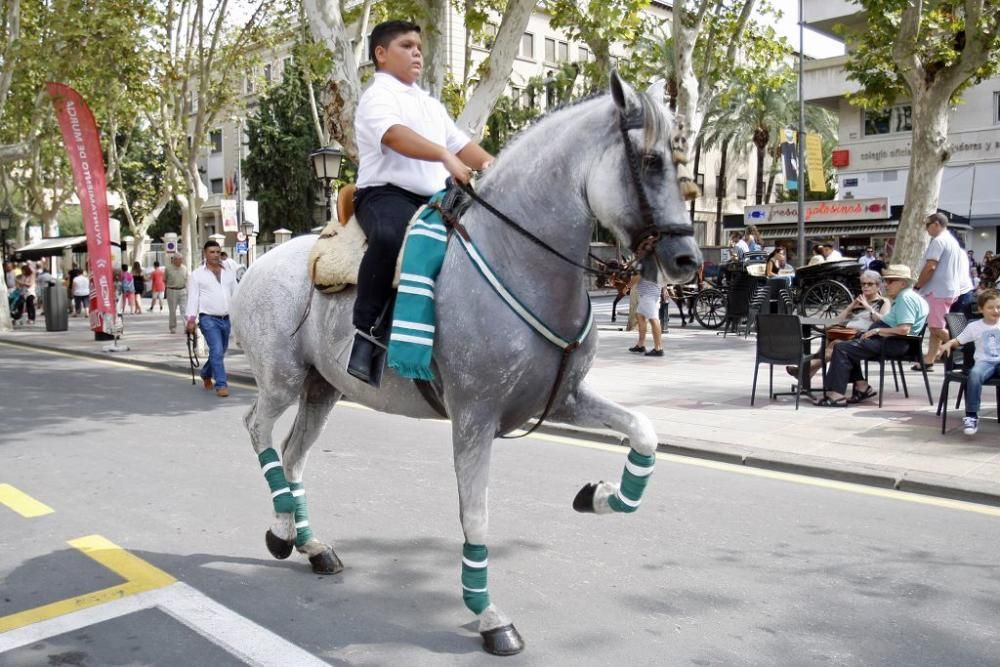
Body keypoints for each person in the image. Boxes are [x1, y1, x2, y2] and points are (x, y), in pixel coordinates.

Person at [347, 19, 494, 385]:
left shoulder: (429, 103)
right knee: (389, 237)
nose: (417, 52)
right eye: (407, 45)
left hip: (436, 199)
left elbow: (462, 145)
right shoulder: (377, 96)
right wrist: (443, 156)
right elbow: (395, 136)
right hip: (386, 193)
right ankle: (366, 335)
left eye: (419, 47)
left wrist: (496, 167)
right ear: (381, 54)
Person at [815, 264, 928, 407]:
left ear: (903, 283)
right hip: (892, 341)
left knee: (842, 348)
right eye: (886, 281)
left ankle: (836, 395)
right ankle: (862, 387)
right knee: (844, 345)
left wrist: (877, 331)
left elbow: (904, 329)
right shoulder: (906, 297)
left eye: (890, 281)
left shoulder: (906, 298)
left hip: (893, 343)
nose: (886, 285)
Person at [789, 270, 890, 379]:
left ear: (878, 286)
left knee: (833, 345)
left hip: (862, 337)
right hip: (846, 333)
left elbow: (883, 322)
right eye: (863, 284)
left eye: (870, 284)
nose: (865, 287)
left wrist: (868, 307)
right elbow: (835, 321)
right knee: (829, 338)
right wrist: (850, 307)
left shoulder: (883, 302)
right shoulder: (859, 300)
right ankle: (807, 373)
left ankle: (804, 370)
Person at [937, 289, 1000, 435]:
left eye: (998, 307)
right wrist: (947, 344)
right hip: (985, 363)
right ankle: (971, 415)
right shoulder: (974, 326)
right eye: (990, 307)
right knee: (975, 375)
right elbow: (958, 340)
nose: (995, 310)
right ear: (980, 309)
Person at [914, 212, 969, 370]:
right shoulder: (951, 241)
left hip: (937, 290)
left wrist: (918, 285)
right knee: (934, 326)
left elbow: (930, 266)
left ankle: (968, 347)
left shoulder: (938, 241)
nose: (926, 229)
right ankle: (930, 359)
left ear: (936, 224)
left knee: (936, 328)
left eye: (927, 225)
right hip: (946, 289)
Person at [185, 240, 237, 397]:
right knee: (217, 349)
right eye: (211, 252)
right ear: (205, 254)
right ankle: (221, 384)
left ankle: (206, 373)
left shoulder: (229, 271)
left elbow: (235, 292)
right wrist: (191, 319)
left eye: (217, 252)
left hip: (226, 318)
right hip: (208, 318)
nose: (215, 255)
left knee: (220, 351)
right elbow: (193, 298)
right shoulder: (196, 275)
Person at [628, 277, 664, 356]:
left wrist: (627, 287)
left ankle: (658, 348)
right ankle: (641, 345)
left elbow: (638, 276)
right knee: (639, 315)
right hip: (648, 294)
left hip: (649, 295)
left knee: (654, 320)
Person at [165, 254, 189, 333]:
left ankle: (186, 326)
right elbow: (164, 279)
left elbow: (187, 279)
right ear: (174, 260)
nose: (180, 261)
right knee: (172, 310)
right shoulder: (168, 268)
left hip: (182, 290)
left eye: (181, 259)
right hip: (172, 290)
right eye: (178, 259)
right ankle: (173, 327)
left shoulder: (184, 268)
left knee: (184, 309)